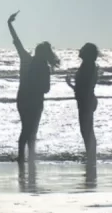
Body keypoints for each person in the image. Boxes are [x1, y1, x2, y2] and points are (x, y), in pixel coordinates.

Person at [7, 11, 59, 163]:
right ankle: (27, 157)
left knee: (27, 128)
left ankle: (24, 157)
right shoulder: (41, 66)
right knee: (31, 129)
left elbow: (17, 41)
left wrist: (9, 24)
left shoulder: (27, 60)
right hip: (33, 100)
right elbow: (47, 89)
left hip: (24, 97)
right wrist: (9, 24)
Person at [65, 43, 100, 163]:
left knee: (86, 130)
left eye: (83, 49)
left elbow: (83, 87)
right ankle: (91, 156)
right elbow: (84, 86)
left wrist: (69, 84)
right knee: (87, 129)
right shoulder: (88, 65)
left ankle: (91, 157)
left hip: (86, 100)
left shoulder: (87, 66)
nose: (80, 50)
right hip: (87, 99)